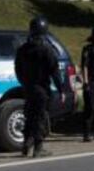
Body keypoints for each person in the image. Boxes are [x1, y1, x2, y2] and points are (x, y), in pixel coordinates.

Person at [14, 16, 67, 158]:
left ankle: (26, 143)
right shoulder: (47, 50)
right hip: (42, 89)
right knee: (40, 117)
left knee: (29, 115)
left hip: (28, 88)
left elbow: (18, 70)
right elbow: (55, 72)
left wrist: (24, 83)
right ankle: (38, 147)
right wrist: (61, 90)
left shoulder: (22, 50)